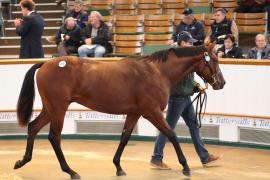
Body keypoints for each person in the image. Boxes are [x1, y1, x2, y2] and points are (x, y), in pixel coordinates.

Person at [150, 31, 221, 170]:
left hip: (185, 97)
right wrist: (193, 86)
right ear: (182, 43)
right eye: (189, 42)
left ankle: (204, 157)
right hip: (177, 98)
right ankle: (156, 157)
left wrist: (195, 85)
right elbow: (177, 77)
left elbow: (187, 76)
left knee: (193, 126)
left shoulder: (185, 56)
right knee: (167, 129)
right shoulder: (174, 57)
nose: (192, 44)